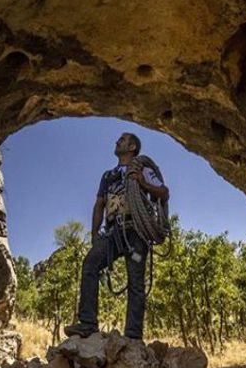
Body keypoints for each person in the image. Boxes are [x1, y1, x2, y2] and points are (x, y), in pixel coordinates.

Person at [63, 132, 169, 340]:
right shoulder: (107, 175)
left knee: (136, 281)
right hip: (113, 232)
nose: (117, 141)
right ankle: (87, 324)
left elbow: (164, 193)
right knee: (91, 264)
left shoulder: (143, 169)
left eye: (122, 140)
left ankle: (133, 336)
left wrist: (142, 183)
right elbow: (100, 204)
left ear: (132, 147)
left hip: (137, 230)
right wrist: (95, 235)